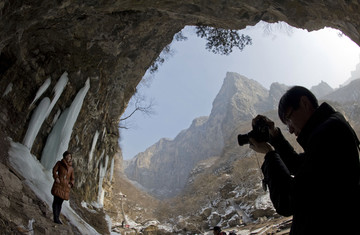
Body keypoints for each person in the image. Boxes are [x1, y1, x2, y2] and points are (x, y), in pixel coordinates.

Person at [249, 86, 360, 235]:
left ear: (305, 103)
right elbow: (298, 165)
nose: (290, 129)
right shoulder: (332, 127)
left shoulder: (328, 132)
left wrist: (269, 154)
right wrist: (274, 135)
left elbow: (287, 202)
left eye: (288, 118)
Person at [51, 151, 75, 224]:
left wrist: (70, 184)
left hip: (65, 187)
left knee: (60, 203)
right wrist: (56, 177)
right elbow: (54, 170)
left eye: (70, 156)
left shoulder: (71, 168)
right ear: (64, 156)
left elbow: (72, 178)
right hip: (59, 184)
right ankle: (55, 218)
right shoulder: (59, 163)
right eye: (67, 156)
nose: (68, 157)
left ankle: (57, 217)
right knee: (56, 201)